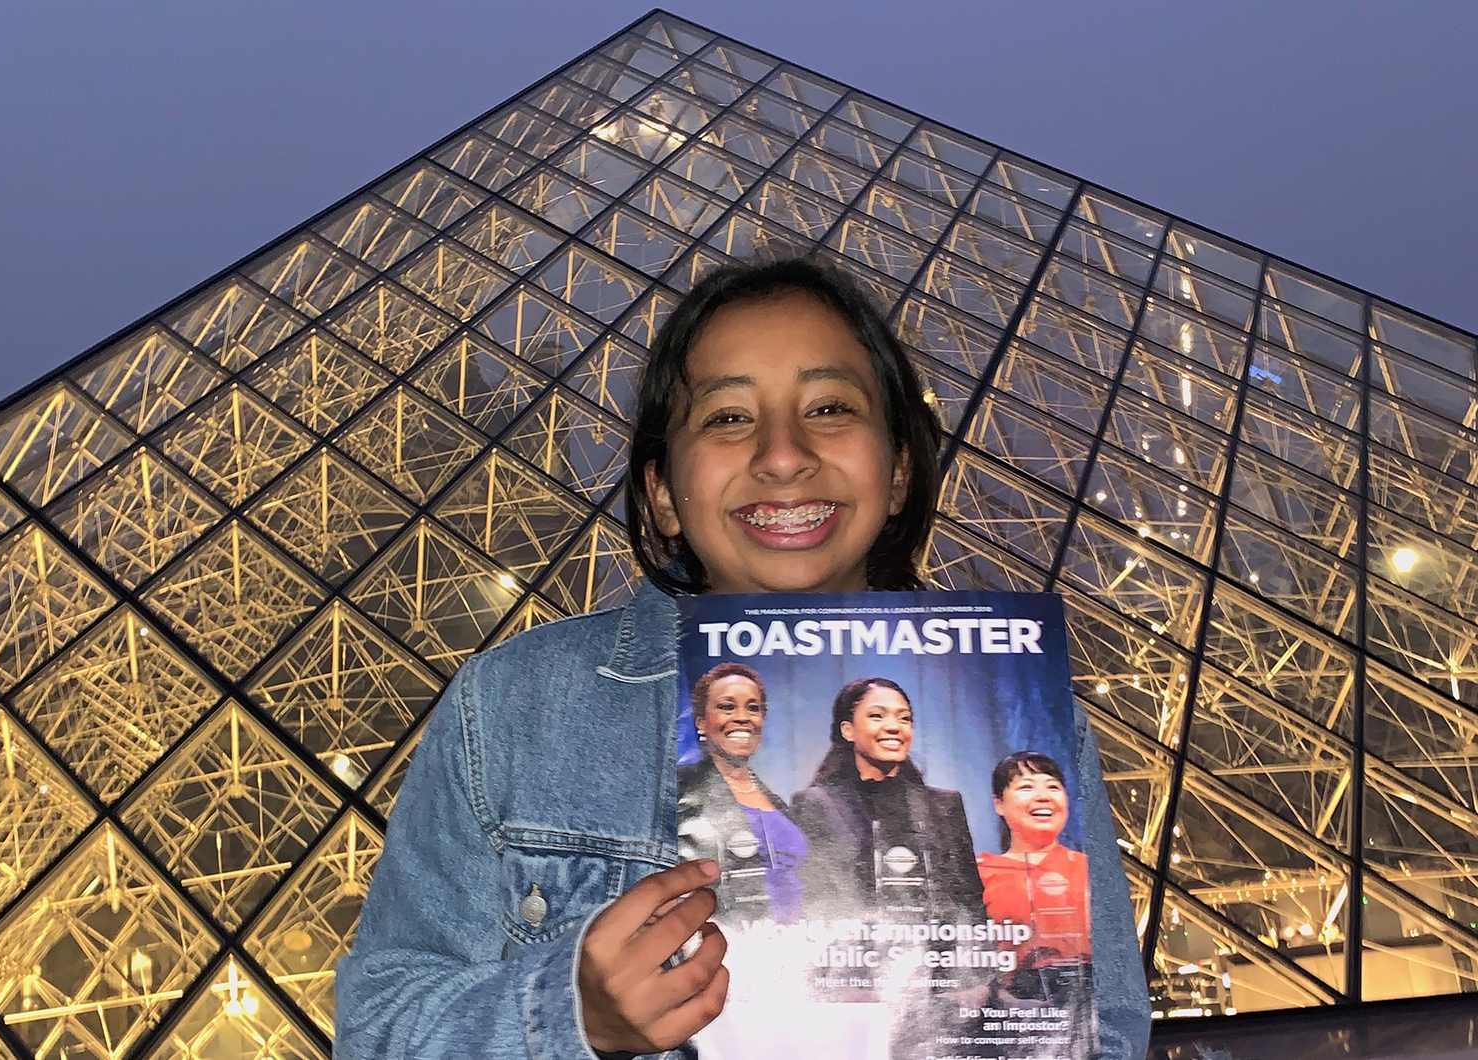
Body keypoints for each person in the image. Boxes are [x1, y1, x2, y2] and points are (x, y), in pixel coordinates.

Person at [333, 257, 1151, 1060]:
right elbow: (376, 1030)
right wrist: (569, 1014)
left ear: (900, 470)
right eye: (728, 418)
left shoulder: (1033, 730)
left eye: (829, 407)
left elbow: (1106, 1030)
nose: (783, 454)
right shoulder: (512, 706)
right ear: (663, 492)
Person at [791, 677, 984, 925]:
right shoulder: (815, 806)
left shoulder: (945, 806)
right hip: (854, 945)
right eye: (877, 716)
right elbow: (814, 901)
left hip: (936, 945)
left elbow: (970, 903)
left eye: (904, 718)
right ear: (847, 730)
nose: (894, 727)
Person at [677, 662, 807, 923]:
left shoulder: (776, 801)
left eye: (753, 708)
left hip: (801, 939)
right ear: (701, 722)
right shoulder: (681, 790)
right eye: (727, 707)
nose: (742, 717)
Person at [978, 751, 1093, 969]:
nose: (1043, 797)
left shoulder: (1091, 869)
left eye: (1053, 787)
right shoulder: (977, 875)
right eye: (1026, 787)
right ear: (998, 803)